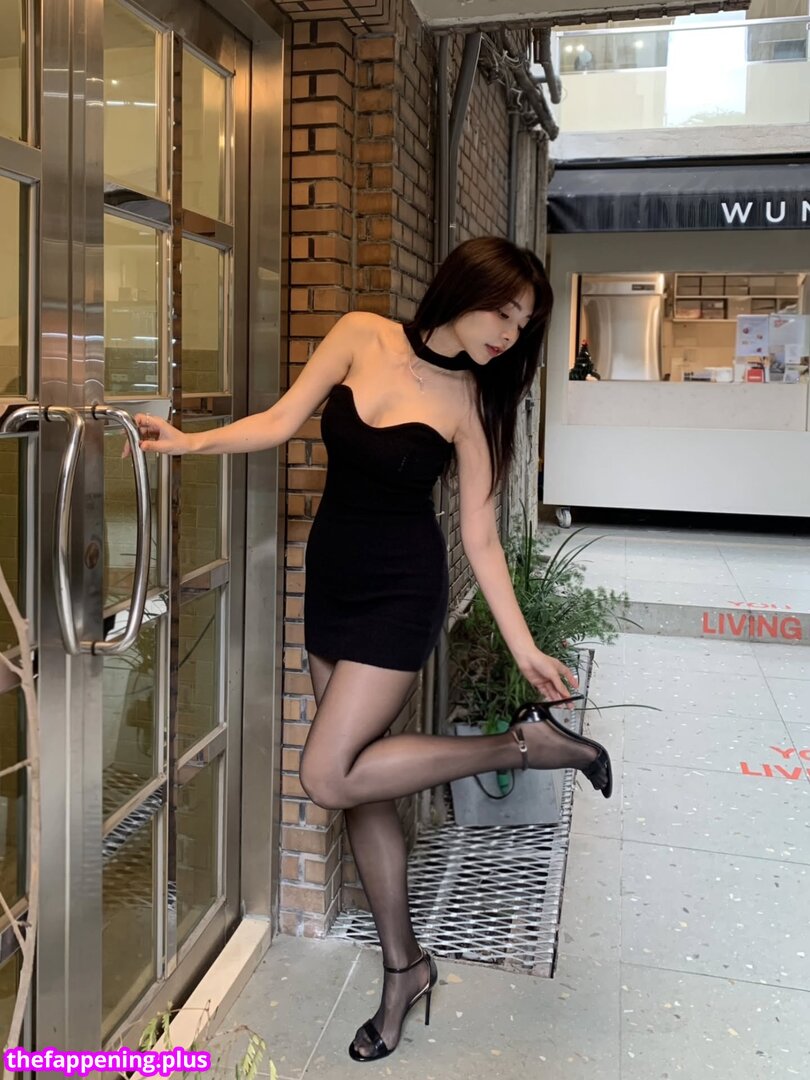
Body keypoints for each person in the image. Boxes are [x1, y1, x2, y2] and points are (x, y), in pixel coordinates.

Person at [134, 236, 611, 1063]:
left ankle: (521, 746)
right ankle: (405, 969)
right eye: (504, 311)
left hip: (400, 593)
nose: (509, 332)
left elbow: (480, 540)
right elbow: (281, 421)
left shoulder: (474, 402)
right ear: (467, 288)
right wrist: (188, 443)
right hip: (332, 581)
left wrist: (525, 648)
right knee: (360, 789)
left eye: (523, 323)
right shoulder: (362, 334)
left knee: (327, 775)